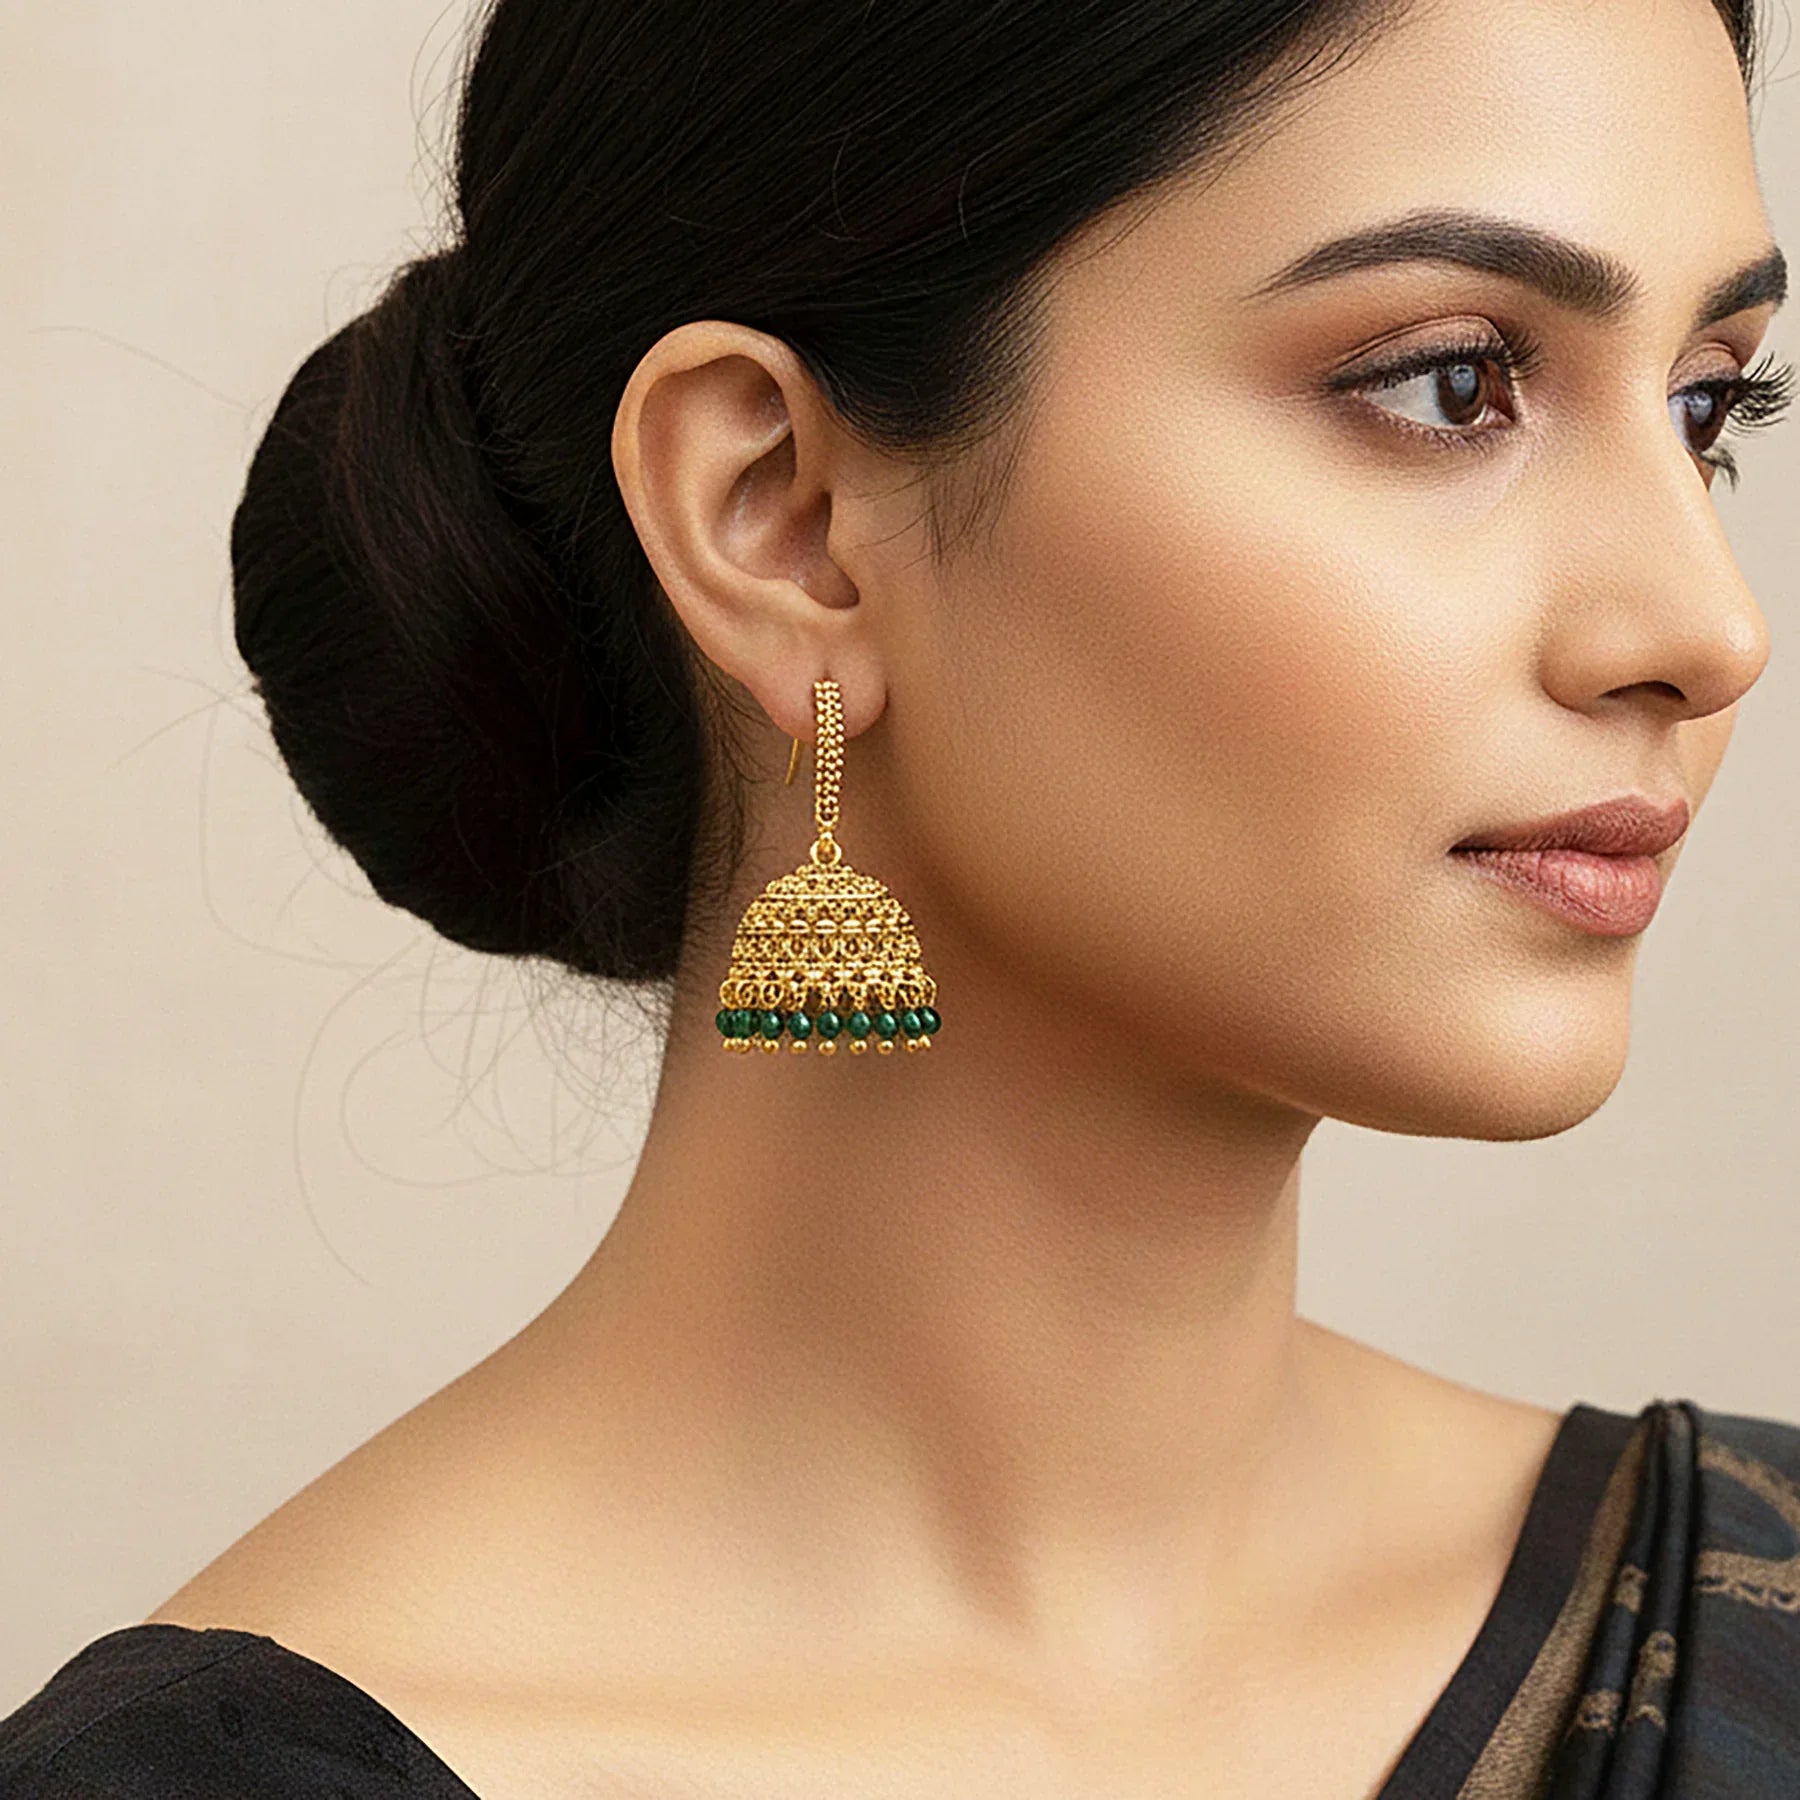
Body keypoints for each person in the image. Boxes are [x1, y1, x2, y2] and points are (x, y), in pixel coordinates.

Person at [5, 0, 1798, 1792]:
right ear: (779, 513)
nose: (1709, 630)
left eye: (1710, 404)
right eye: (1452, 383)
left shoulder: (1757, 1628)